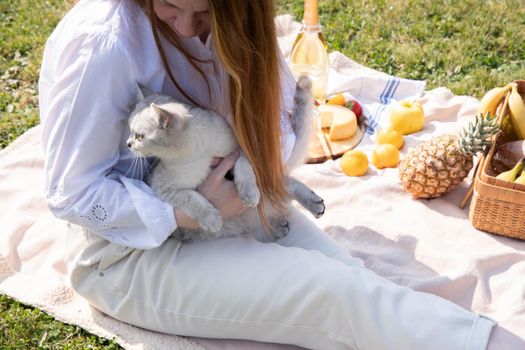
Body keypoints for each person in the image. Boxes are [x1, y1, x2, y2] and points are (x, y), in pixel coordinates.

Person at [38, 0, 503, 349]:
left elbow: (278, 121)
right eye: (171, 6)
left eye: (203, 13)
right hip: (128, 253)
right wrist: (191, 212)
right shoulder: (102, 44)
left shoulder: (238, 23)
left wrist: (243, 167)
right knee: (333, 292)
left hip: (237, 204)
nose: (183, 27)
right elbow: (70, 193)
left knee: (355, 278)